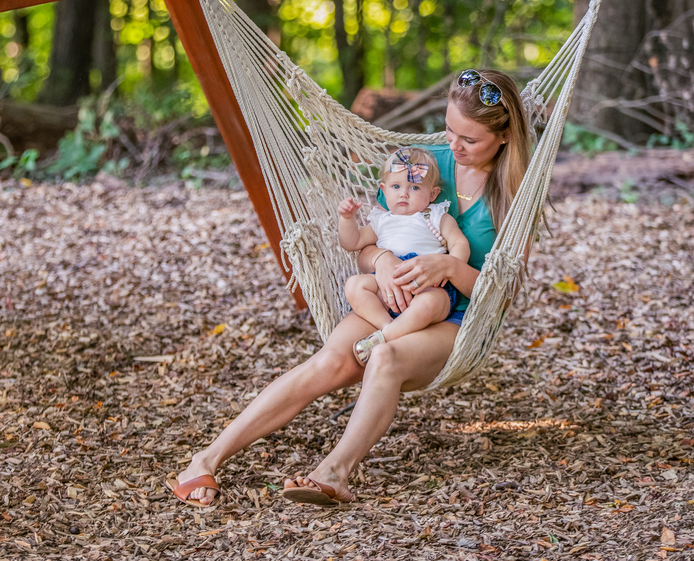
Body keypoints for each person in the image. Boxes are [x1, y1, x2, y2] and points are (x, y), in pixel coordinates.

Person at [167, 68, 530, 508]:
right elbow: (369, 242)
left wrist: (450, 267)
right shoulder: (423, 164)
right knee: (329, 363)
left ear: (506, 135)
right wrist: (382, 263)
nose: (453, 145)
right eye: (450, 129)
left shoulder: (514, 195)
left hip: (453, 317)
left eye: (468, 141)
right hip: (387, 298)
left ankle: (333, 473)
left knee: (387, 356)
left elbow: (500, 295)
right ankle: (205, 460)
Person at [338, 147, 470, 366]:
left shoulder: (437, 216)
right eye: (396, 186)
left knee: (430, 303)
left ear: (433, 194)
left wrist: (450, 265)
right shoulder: (380, 220)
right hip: (386, 285)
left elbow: (459, 243)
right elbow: (351, 243)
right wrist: (346, 219)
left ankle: (385, 338)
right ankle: (387, 326)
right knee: (354, 285)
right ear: (384, 189)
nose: (404, 193)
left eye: (415, 187)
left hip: (427, 284)